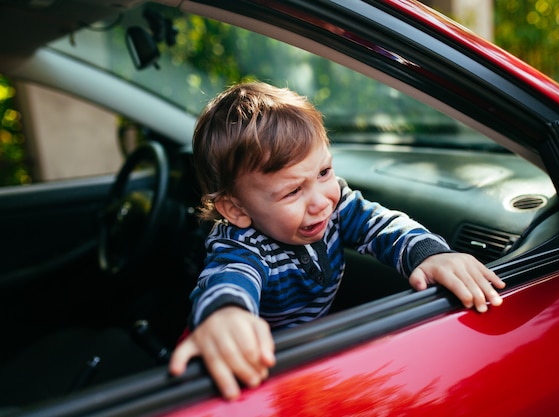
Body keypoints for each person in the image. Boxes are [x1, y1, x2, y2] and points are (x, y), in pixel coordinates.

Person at [169, 81, 505, 400]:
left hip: (308, 345)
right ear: (237, 208)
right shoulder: (242, 243)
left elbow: (380, 224)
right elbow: (228, 278)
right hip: (247, 354)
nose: (321, 201)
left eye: (324, 172)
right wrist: (225, 314)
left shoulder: (335, 203)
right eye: (292, 191)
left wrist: (429, 255)